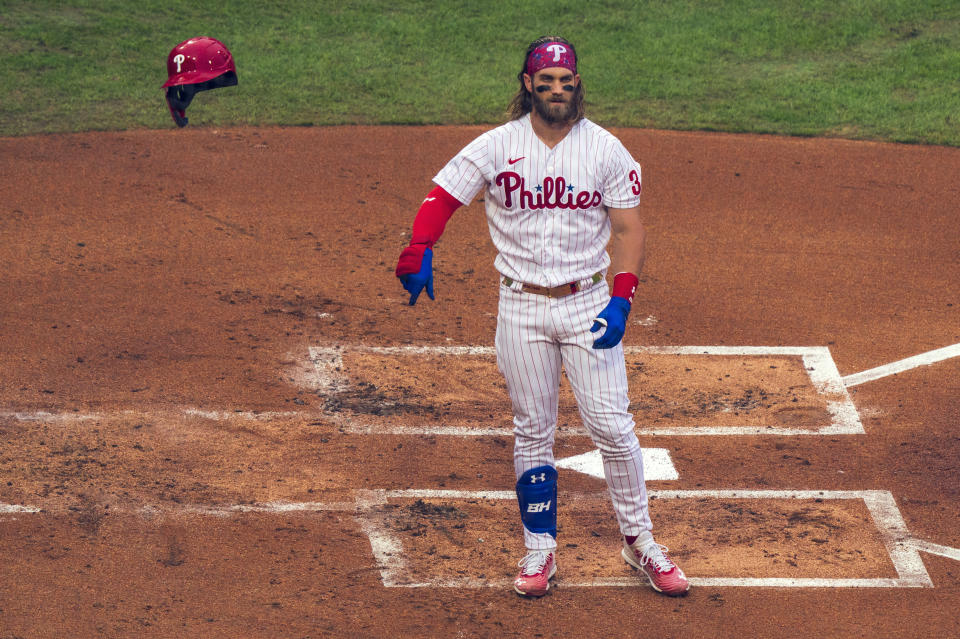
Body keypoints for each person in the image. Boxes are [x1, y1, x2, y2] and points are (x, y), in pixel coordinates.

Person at [395, 35, 689, 598]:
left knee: (613, 427)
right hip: (521, 305)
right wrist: (419, 245)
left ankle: (640, 542)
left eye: (567, 80)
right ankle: (539, 552)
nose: (558, 89)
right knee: (533, 431)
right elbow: (442, 197)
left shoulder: (605, 150)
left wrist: (622, 297)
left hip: (588, 304)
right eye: (546, 81)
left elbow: (629, 229)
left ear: (577, 85)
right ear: (528, 85)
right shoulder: (496, 145)